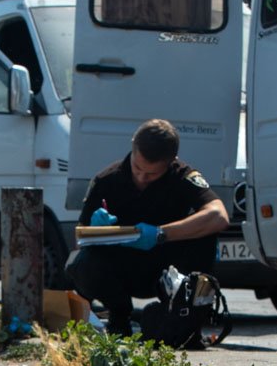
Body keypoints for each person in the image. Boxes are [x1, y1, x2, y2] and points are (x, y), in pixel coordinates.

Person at [65, 118, 229, 336]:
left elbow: (218, 215)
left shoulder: (183, 176)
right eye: (137, 168)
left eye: (152, 174)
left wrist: (161, 234)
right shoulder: (106, 180)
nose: (142, 177)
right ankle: (118, 316)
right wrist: (94, 230)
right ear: (132, 147)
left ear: (172, 161)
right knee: (79, 263)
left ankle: (182, 315)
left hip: (166, 269)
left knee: (205, 235)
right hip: (122, 269)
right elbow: (79, 240)